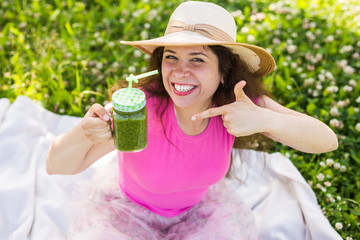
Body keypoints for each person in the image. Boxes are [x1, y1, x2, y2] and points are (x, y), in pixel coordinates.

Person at [46, 1, 338, 239]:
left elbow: (327, 140)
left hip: (199, 217)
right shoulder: (138, 107)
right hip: (125, 216)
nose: (179, 72)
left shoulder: (239, 105)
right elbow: (56, 165)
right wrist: (84, 133)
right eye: (171, 57)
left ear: (224, 71)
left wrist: (265, 120)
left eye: (197, 59)